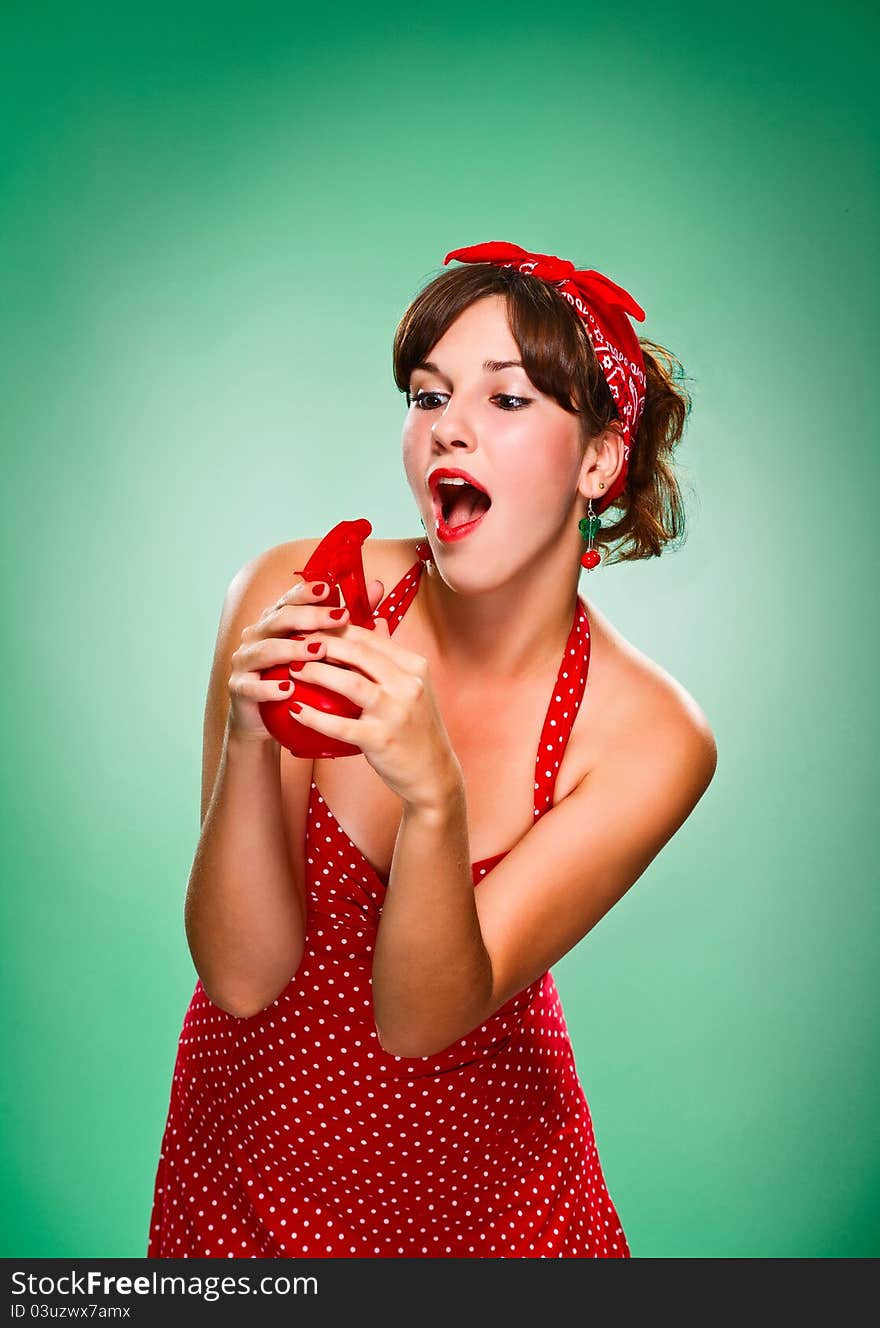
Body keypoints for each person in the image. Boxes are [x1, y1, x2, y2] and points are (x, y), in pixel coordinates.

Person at [147, 241, 717, 1259]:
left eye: (507, 400)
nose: (446, 425)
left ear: (598, 459)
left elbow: (420, 1016)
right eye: (425, 395)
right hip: (242, 1179)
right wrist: (251, 732)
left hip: (495, 1212)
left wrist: (432, 799)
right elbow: (240, 974)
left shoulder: (648, 735)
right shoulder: (297, 590)